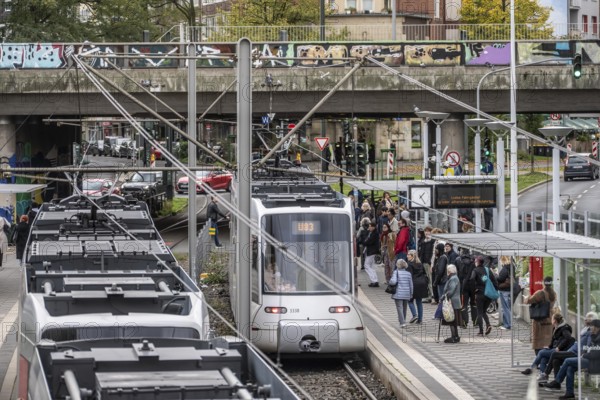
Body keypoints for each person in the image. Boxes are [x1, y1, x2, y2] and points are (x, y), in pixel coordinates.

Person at [543, 319, 600, 399]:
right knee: (570, 368)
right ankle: (569, 393)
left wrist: (584, 355)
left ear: (597, 327)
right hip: (587, 358)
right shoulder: (592, 335)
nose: (591, 328)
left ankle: (557, 381)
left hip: (593, 362)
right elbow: (587, 347)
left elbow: (597, 353)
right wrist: (584, 353)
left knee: (567, 361)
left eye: (592, 326)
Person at [521, 313, 573, 378]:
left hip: (559, 350)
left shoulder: (564, 328)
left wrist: (559, 347)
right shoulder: (556, 327)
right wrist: (549, 346)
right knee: (543, 359)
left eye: (552, 318)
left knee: (541, 352)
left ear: (555, 321)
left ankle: (532, 369)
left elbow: (568, 338)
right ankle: (543, 377)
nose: (551, 319)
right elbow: (554, 340)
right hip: (554, 348)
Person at [526, 276, 557, 354]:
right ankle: (546, 358)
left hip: (540, 318)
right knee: (548, 338)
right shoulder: (554, 293)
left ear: (543, 283)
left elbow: (529, 301)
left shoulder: (540, 293)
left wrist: (527, 297)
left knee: (538, 340)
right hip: (550, 317)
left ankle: (539, 359)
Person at [471, 255, 498, 336]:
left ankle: (481, 331)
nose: (475, 263)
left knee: (479, 312)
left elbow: (472, 279)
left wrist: (474, 289)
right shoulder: (487, 270)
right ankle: (488, 325)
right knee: (483, 311)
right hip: (488, 294)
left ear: (478, 262)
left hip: (480, 294)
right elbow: (494, 281)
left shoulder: (475, 270)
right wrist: (495, 290)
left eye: (475, 261)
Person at [389, 259, 413, 328]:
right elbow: (411, 285)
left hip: (398, 294)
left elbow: (393, 282)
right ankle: (403, 320)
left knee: (399, 307)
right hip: (406, 294)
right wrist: (411, 293)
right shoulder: (408, 274)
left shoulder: (396, 272)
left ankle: (402, 322)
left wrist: (390, 280)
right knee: (404, 307)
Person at [456, 248, 477, 328]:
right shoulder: (473, 260)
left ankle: (464, 323)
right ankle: (476, 323)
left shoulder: (458, 260)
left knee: (463, 304)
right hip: (473, 285)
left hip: (463, 285)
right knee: (474, 304)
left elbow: (458, 273)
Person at [406, 250, 428, 324]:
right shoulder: (420, 264)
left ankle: (415, 315)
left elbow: (409, 276)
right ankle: (420, 319)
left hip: (414, 284)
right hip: (421, 284)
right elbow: (425, 273)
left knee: (409, 300)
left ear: (412, 256)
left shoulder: (409, 264)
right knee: (419, 302)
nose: (407, 256)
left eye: (409, 254)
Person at [443, 264, 462, 343]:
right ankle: (456, 336)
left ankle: (454, 337)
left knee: (452, 320)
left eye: (447, 271)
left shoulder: (453, 278)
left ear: (449, 271)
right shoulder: (454, 277)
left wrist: (445, 296)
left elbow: (451, 290)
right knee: (453, 320)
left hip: (452, 302)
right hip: (455, 301)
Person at [497, 255, 516, 330]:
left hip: (504, 290)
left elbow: (500, 278)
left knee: (505, 308)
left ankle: (507, 325)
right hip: (509, 289)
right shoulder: (512, 267)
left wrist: (496, 275)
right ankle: (508, 324)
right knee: (508, 308)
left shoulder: (505, 268)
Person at [363, 222, 381, 287]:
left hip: (371, 251)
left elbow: (368, 241)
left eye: (370, 226)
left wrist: (365, 242)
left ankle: (374, 280)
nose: (369, 227)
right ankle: (375, 280)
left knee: (366, 265)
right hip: (370, 251)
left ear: (374, 227)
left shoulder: (375, 234)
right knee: (371, 266)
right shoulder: (371, 233)